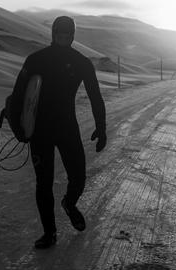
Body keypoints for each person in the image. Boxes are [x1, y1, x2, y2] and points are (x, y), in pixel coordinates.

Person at [9, 16, 107, 249]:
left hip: (66, 127)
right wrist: (19, 128)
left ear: (73, 36)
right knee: (44, 182)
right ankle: (49, 233)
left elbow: (95, 96)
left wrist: (101, 127)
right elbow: (18, 96)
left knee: (79, 176)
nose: (63, 38)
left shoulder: (81, 62)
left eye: (67, 35)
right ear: (53, 34)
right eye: (59, 34)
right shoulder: (36, 60)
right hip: (40, 130)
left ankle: (69, 203)